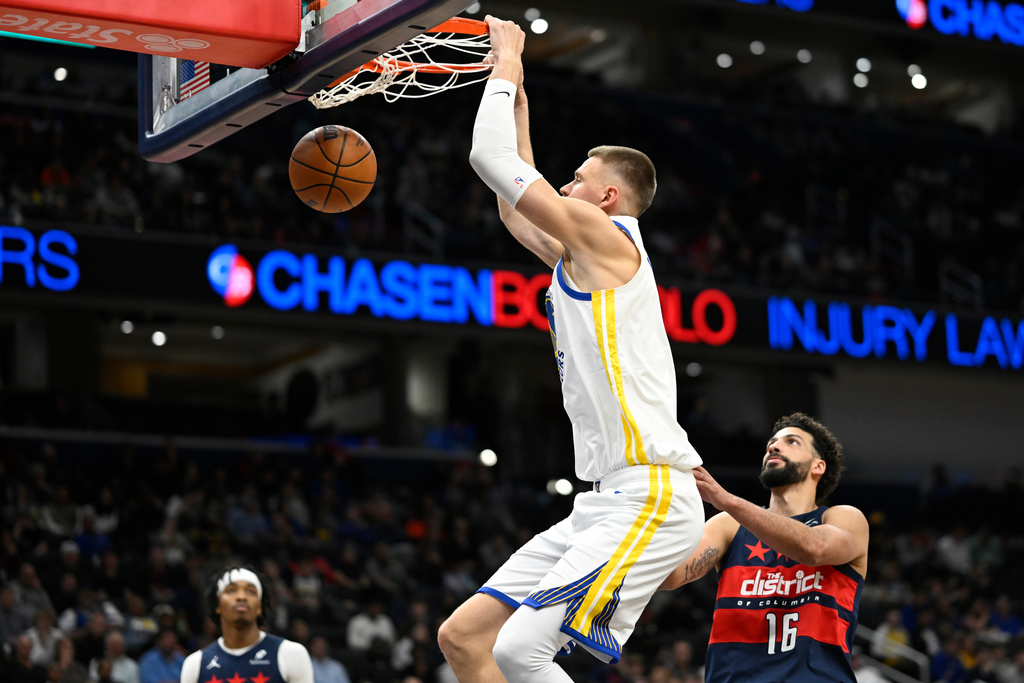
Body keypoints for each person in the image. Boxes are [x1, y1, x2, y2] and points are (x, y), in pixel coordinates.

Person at [437, 15, 705, 683]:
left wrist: (506, 61)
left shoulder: (613, 240)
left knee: (518, 649)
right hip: (602, 498)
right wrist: (518, 94)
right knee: (465, 637)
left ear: (607, 198)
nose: (564, 186)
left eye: (578, 178)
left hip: (652, 494)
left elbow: (488, 161)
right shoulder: (578, 255)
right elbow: (509, 200)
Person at [660, 413, 869, 683]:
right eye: (772, 442)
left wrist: (729, 502)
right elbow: (671, 575)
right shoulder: (728, 525)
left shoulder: (844, 518)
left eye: (791, 441)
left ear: (818, 466)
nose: (774, 446)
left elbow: (815, 547)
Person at [179, 566, 313, 683]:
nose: (241, 597)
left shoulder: (291, 654)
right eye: (231, 590)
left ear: (259, 607)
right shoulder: (195, 664)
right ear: (218, 605)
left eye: (250, 591)